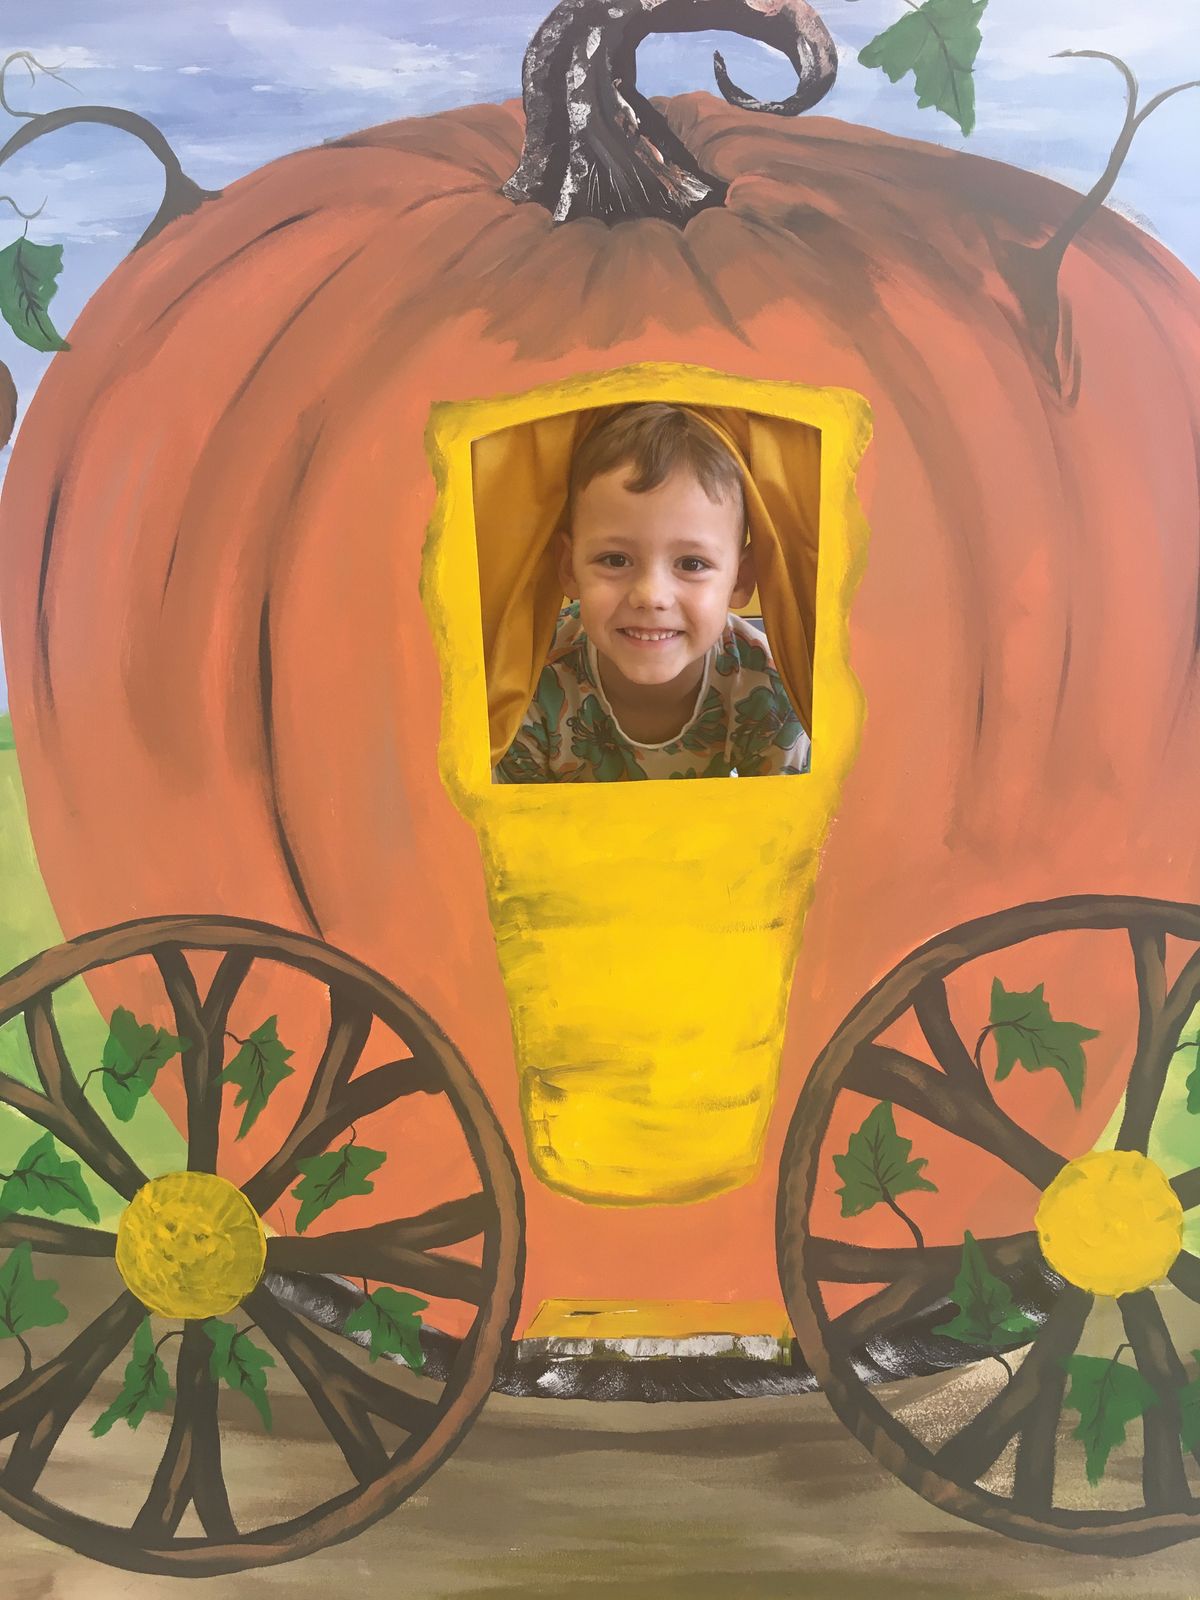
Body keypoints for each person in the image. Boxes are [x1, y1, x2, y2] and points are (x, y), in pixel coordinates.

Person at [494, 403, 812, 783]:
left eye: (691, 564)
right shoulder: (527, 681)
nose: (651, 595)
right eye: (615, 560)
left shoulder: (769, 687)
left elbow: (793, 816)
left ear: (741, 579)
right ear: (568, 567)